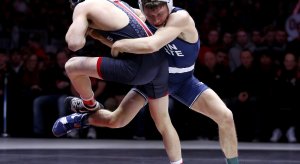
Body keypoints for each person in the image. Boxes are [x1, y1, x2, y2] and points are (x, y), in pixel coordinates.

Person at [52, 0, 182, 163]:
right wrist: (98, 35)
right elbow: (139, 26)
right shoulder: (119, 3)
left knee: (71, 65)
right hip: (160, 64)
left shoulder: (83, 6)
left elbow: (74, 44)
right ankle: (83, 120)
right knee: (121, 121)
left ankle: (89, 105)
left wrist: (78, 21)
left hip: (138, 67)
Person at [109, 0, 239, 163]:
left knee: (226, 116)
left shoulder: (181, 18)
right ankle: (76, 119)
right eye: (151, 14)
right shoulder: (142, 16)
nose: (155, 19)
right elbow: (114, 8)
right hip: (154, 81)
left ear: (169, 7)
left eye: (160, 13)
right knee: (116, 121)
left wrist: (121, 44)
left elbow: (152, 44)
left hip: (184, 81)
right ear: (144, 9)